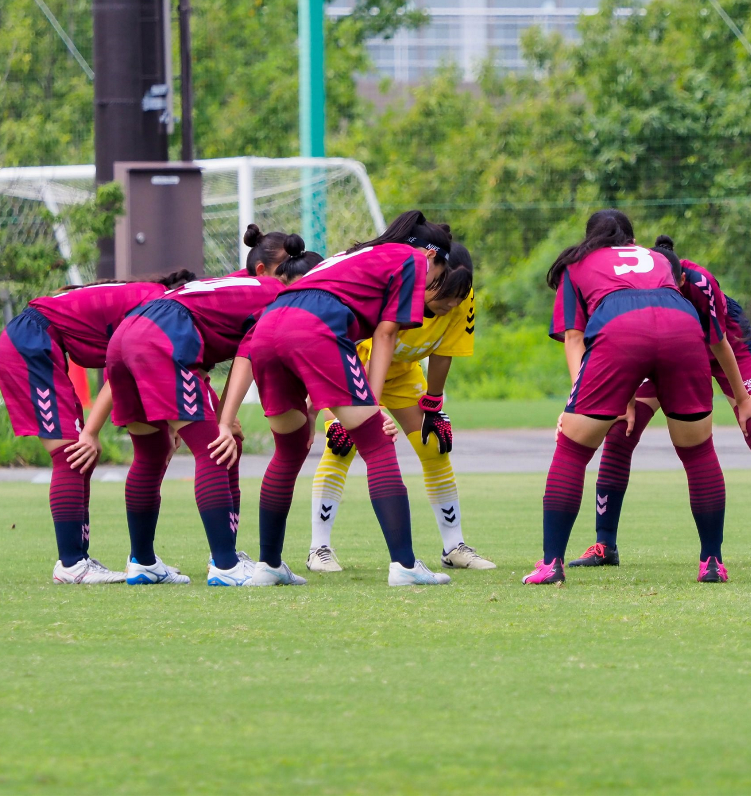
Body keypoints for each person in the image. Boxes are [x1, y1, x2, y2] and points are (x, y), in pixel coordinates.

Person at [222, 211, 459, 588]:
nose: (434, 283)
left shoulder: (353, 254)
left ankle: (268, 566)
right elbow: (385, 334)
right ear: (432, 257)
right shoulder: (413, 258)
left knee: (290, 448)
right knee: (378, 445)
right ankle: (405, 566)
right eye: (440, 275)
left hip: (269, 327)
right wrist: (374, 403)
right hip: (314, 327)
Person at [569, 235, 751, 569]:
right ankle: (605, 544)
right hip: (669, 347)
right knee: (621, 431)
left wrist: (743, 400)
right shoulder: (635, 285)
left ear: (679, 279)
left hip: (725, 344)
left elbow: (719, 344)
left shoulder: (700, 282)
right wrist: (625, 397)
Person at [525, 210, 732, 585]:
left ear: (591, 237)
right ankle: (712, 562)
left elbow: (575, 338)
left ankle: (550, 563)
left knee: (572, 447)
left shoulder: (578, 262)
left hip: (620, 326)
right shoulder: (655, 258)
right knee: (699, 451)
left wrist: (577, 400)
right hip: (683, 324)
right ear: (631, 238)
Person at [104, 226, 297, 587]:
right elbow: (247, 355)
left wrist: (223, 415)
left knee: (151, 451)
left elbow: (201, 357)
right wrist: (224, 420)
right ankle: (225, 564)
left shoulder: (227, 284)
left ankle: (142, 562)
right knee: (216, 449)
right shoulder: (276, 293)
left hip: (126, 336)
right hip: (158, 339)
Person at [0, 269, 193, 584]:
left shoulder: (149, 297)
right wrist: (91, 432)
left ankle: (114, 559)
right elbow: (124, 364)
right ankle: (72, 565)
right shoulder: (159, 303)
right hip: (31, 344)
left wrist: (169, 421)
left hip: (40, 343)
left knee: (83, 455)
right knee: (73, 453)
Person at [305, 241, 493, 573]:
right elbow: (362, 341)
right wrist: (350, 415)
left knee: (433, 444)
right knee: (342, 445)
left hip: (403, 370)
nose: (452, 304)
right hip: (355, 364)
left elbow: (444, 350)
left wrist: (433, 404)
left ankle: (454, 546)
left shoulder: (462, 296)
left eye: (459, 298)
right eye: (446, 296)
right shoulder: (400, 284)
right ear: (431, 279)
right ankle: (318, 549)